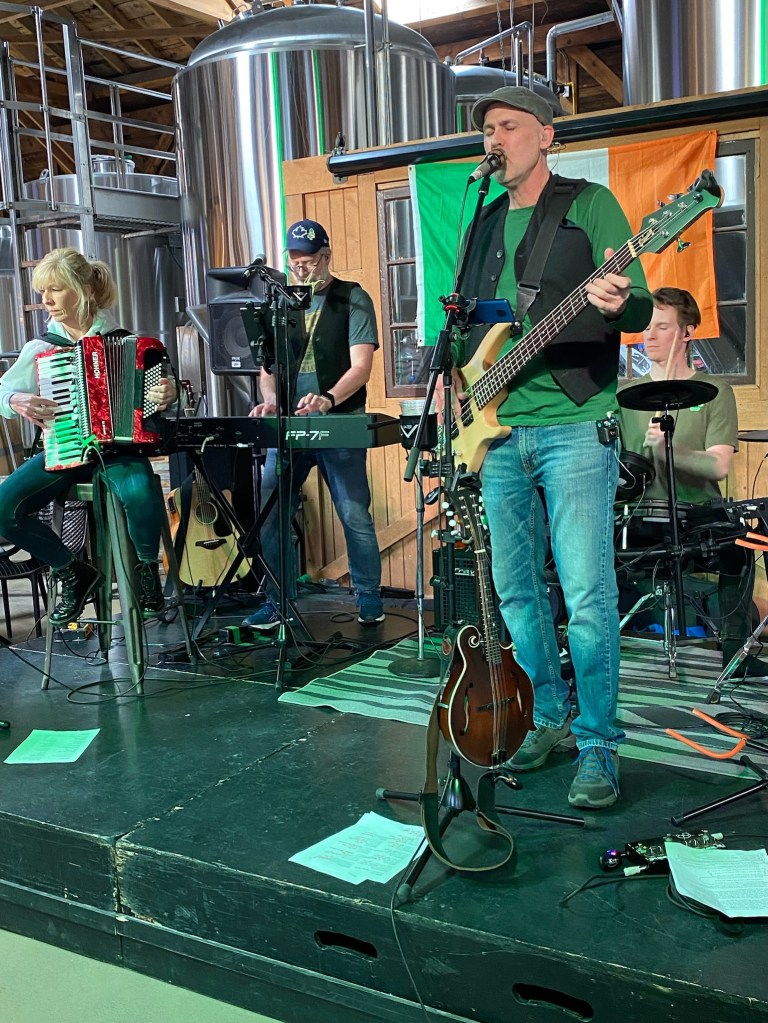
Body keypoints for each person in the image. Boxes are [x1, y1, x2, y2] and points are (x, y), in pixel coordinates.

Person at [453, 87, 653, 809]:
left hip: (575, 420)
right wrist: (462, 386)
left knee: (588, 594)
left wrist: (621, 303)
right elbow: (467, 326)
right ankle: (547, 716)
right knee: (516, 591)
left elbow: (638, 302)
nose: (494, 139)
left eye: (507, 126)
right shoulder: (482, 222)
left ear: (546, 134)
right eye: (487, 129)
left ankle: (598, 743)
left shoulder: (589, 204)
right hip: (498, 429)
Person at [0, 247, 177, 627]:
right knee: (2, 509)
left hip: (118, 452)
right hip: (64, 449)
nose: (46, 300)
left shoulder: (125, 340)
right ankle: (71, 571)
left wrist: (167, 392)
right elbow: (3, 391)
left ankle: (148, 572)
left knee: (141, 491)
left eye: (55, 289)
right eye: (42, 291)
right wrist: (16, 400)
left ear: (84, 290)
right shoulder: (42, 347)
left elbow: (159, 394)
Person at [617, 287, 766, 676]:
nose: (649, 335)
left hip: (696, 517)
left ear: (687, 332)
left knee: (741, 546)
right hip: (639, 519)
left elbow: (718, 466)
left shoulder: (715, 392)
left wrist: (670, 452)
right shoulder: (622, 396)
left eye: (662, 327)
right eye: (647, 327)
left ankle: (735, 654)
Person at [243, 219, 384, 629]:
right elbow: (267, 369)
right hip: (289, 425)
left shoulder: (352, 298)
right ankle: (277, 600)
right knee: (271, 511)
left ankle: (368, 596)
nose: (301, 270)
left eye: (308, 262)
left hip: (339, 422)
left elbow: (361, 366)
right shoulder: (280, 305)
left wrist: (328, 398)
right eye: (295, 262)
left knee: (354, 513)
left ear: (326, 257)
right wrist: (272, 400)